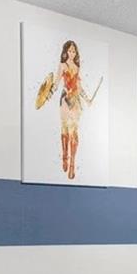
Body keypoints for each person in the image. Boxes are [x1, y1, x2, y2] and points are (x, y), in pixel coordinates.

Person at [34, 40, 97, 180]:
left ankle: (72, 163)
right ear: (66, 52)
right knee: (64, 128)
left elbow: (79, 87)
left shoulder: (77, 67)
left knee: (74, 131)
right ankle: (64, 157)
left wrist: (87, 99)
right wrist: (49, 94)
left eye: (74, 51)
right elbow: (56, 83)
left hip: (75, 100)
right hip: (64, 99)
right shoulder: (62, 65)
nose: (72, 53)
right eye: (70, 51)